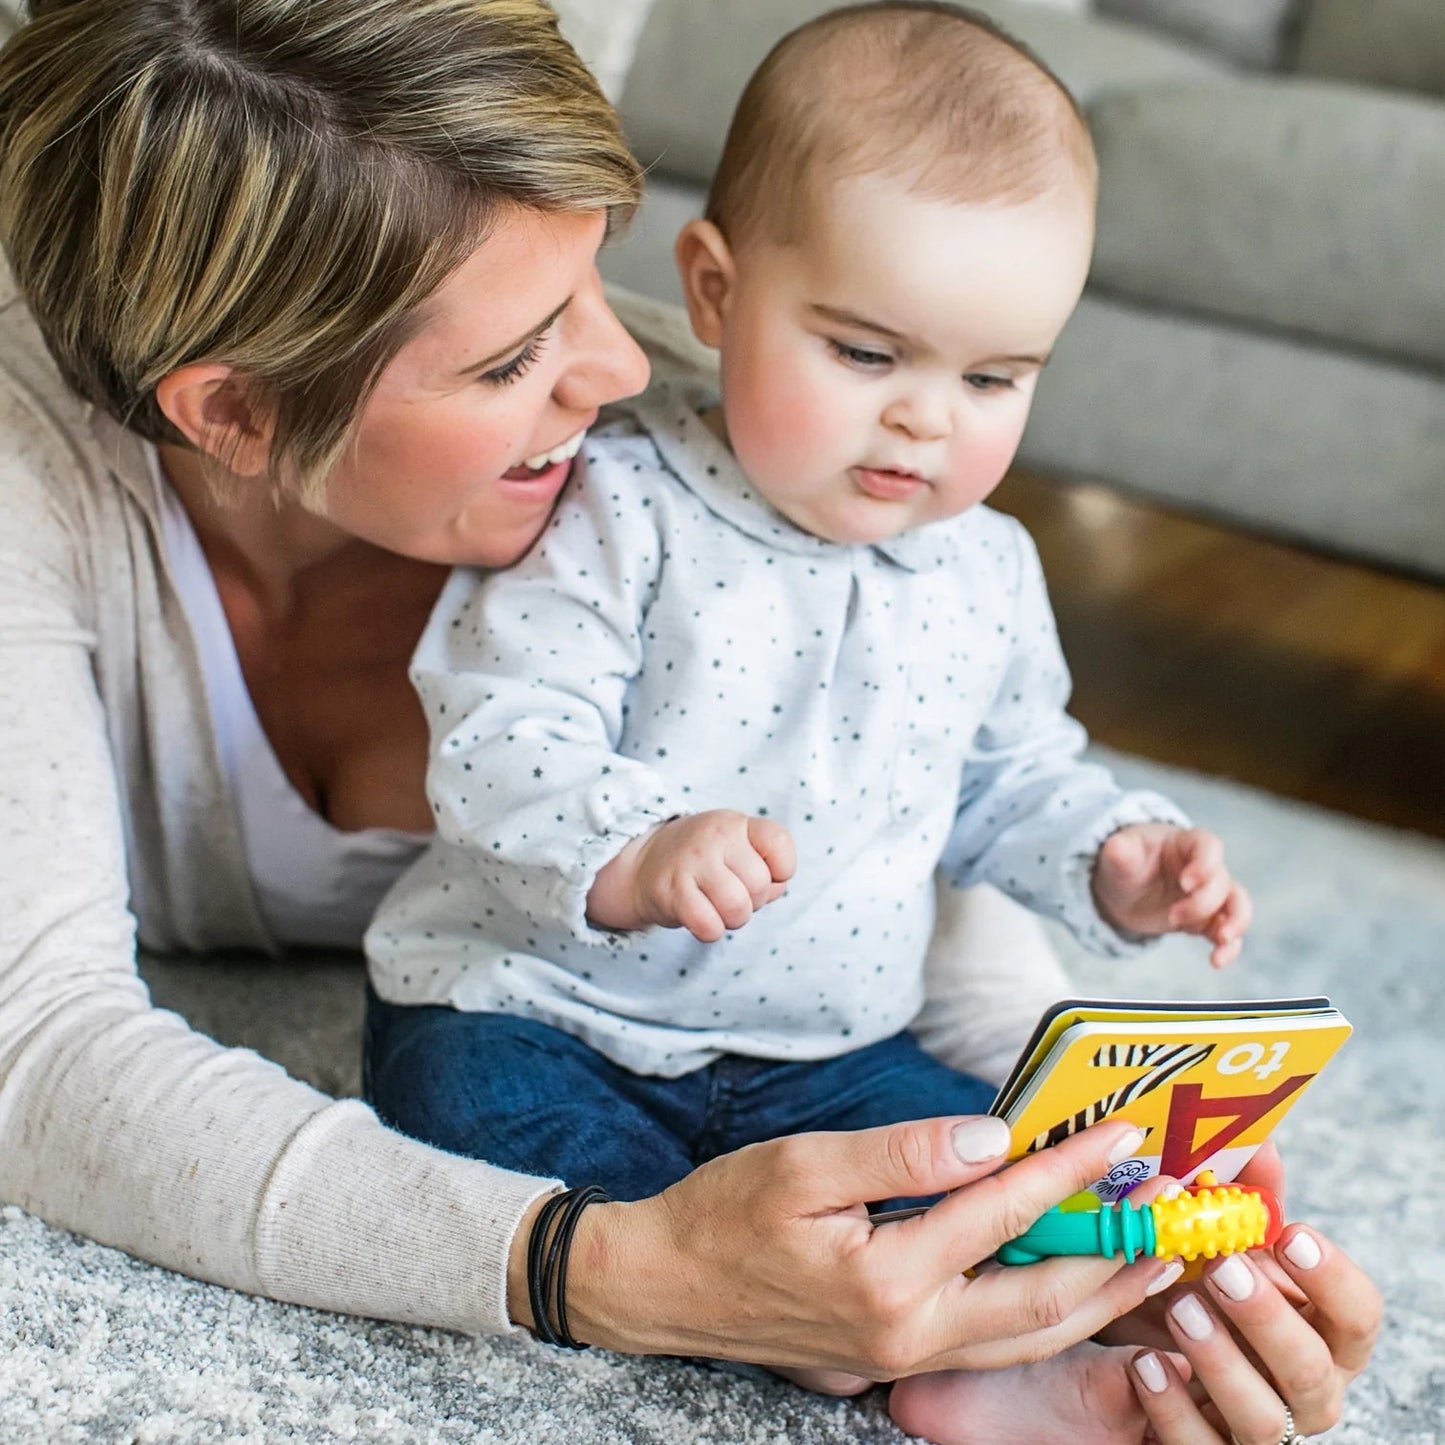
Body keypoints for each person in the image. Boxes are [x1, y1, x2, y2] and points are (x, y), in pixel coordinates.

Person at [0, 1, 1377, 1441]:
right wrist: (607, 1271)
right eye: (509, 359)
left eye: (597, 272)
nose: (617, 373)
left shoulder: (779, 438)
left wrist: (1079, 1210)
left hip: (792, 1030)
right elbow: (37, 1054)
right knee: (525, 1127)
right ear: (238, 416)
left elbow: (921, 822)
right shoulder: (36, 484)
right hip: (523, 1013)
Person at [360, 3, 1265, 1435]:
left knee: (980, 1170)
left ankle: (936, 1349)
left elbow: (1012, 777)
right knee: (479, 1136)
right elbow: (498, 733)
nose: (924, 422)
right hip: (548, 1012)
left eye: (990, 379)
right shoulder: (613, 501)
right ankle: (816, 1325)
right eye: (864, 353)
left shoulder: (983, 570)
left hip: (823, 1051)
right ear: (715, 292)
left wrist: (1114, 854)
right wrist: (640, 845)